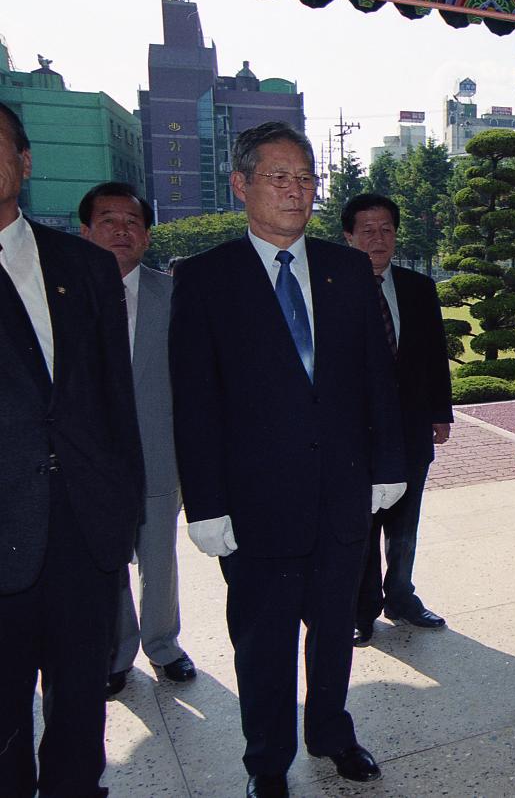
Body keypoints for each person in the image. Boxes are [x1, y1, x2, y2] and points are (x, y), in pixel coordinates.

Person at [169, 121, 406, 798]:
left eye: (306, 177)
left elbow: (376, 379)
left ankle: (331, 731)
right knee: (264, 644)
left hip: (342, 495)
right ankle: (266, 762)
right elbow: (195, 401)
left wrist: (388, 463)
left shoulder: (347, 267)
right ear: (241, 184)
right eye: (280, 176)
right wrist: (206, 504)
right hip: (255, 503)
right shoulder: (206, 278)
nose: (296, 190)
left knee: (334, 630)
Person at [0, 103, 144, 796]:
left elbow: (117, 401)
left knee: (81, 702)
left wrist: (124, 515)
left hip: (84, 530)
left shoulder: (83, 267)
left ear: (24, 162)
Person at [79, 182, 196, 697]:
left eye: (132, 223)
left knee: (158, 556)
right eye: (108, 220)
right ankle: (116, 651)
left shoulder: (174, 296)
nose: (121, 231)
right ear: (86, 231)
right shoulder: (61, 295)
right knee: (105, 562)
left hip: (157, 450)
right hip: (87, 458)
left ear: (147, 236)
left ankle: (164, 646)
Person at [342, 193, 454, 645]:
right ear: (348, 236)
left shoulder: (417, 287)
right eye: (366, 229)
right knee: (362, 523)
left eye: (386, 228)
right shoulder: (331, 289)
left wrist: (440, 413)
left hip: (409, 427)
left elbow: (433, 355)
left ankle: (401, 595)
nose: (377, 238)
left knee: (405, 520)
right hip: (355, 432)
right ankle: (361, 607)